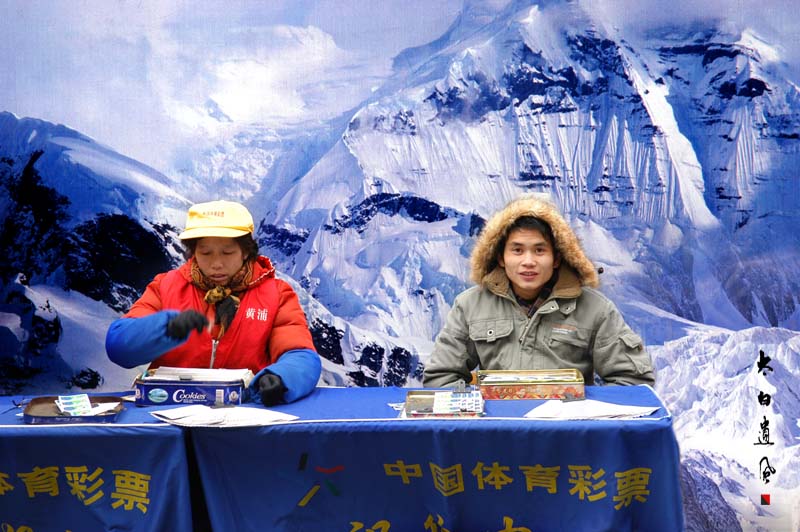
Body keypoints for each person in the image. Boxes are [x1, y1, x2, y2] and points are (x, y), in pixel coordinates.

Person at [423, 195, 654, 388]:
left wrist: (586, 415)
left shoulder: (595, 309)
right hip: (496, 436)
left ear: (557, 258)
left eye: (539, 250)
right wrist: (478, 413)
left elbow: (633, 380)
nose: (528, 261)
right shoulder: (470, 306)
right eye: (517, 250)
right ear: (500, 258)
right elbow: (441, 378)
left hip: (568, 437)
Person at [106, 200, 321, 406]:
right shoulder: (166, 286)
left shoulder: (276, 294)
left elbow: (300, 355)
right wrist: (164, 328)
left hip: (244, 418)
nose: (216, 264)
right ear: (192, 252)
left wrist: (281, 378)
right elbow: (119, 346)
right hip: (168, 415)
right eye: (205, 252)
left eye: (227, 252)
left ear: (246, 251)